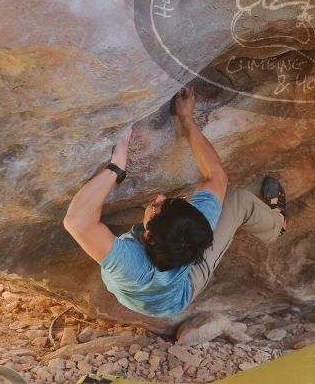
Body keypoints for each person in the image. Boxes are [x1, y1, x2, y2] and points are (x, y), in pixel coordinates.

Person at [63, 86, 288, 318]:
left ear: (149, 236)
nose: (159, 197)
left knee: (237, 200)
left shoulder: (129, 264)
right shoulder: (195, 229)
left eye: (158, 206)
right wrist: (186, 119)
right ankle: (275, 224)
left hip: (168, 294)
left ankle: (276, 228)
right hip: (182, 286)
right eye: (163, 203)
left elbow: (77, 221)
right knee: (239, 201)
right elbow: (215, 176)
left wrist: (117, 166)